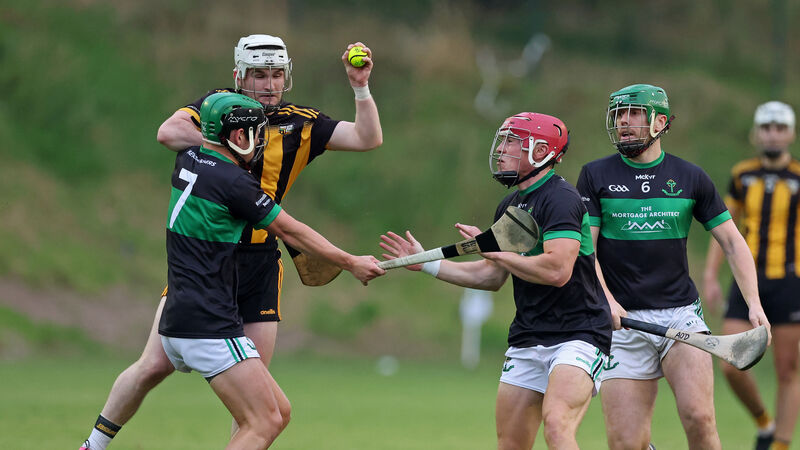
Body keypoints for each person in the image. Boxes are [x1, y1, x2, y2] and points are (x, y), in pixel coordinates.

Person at [79, 35, 382, 449]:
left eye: (276, 74)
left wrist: (359, 86)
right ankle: (94, 443)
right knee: (153, 366)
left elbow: (368, 137)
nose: (269, 84)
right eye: (259, 74)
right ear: (239, 75)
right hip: (210, 258)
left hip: (259, 262)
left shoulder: (300, 123)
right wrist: (228, 150)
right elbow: (168, 132)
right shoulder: (218, 109)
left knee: (258, 402)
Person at [380, 112, 612, 450]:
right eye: (503, 140)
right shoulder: (512, 205)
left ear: (541, 151)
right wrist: (428, 264)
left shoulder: (561, 199)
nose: (502, 149)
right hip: (529, 335)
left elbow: (557, 271)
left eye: (512, 142)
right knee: (510, 443)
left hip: (579, 333)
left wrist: (494, 251)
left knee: (558, 426)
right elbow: (491, 276)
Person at [576, 83, 772, 450]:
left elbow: (732, 241)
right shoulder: (595, 176)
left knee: (699, 417)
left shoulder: (690, 177)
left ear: (659, 122)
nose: (623, 122)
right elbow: (587, 250)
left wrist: (754, 304)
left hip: (680, 316)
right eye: (619, 115)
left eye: (633, 113)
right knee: (625, 443)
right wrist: (606, 301)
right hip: (622, 324)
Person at [703, 101, 800, 450]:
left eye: (779, 127)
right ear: (756, 133)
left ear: (789, 133)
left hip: (790, 282)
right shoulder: (743, 174)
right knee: (732, 361)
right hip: (748, 283)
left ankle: (780, 444)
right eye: (766, 127)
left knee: (787, 370)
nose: (772, 133)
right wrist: (711, 275)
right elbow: (725, 229)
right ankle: (764, 422)